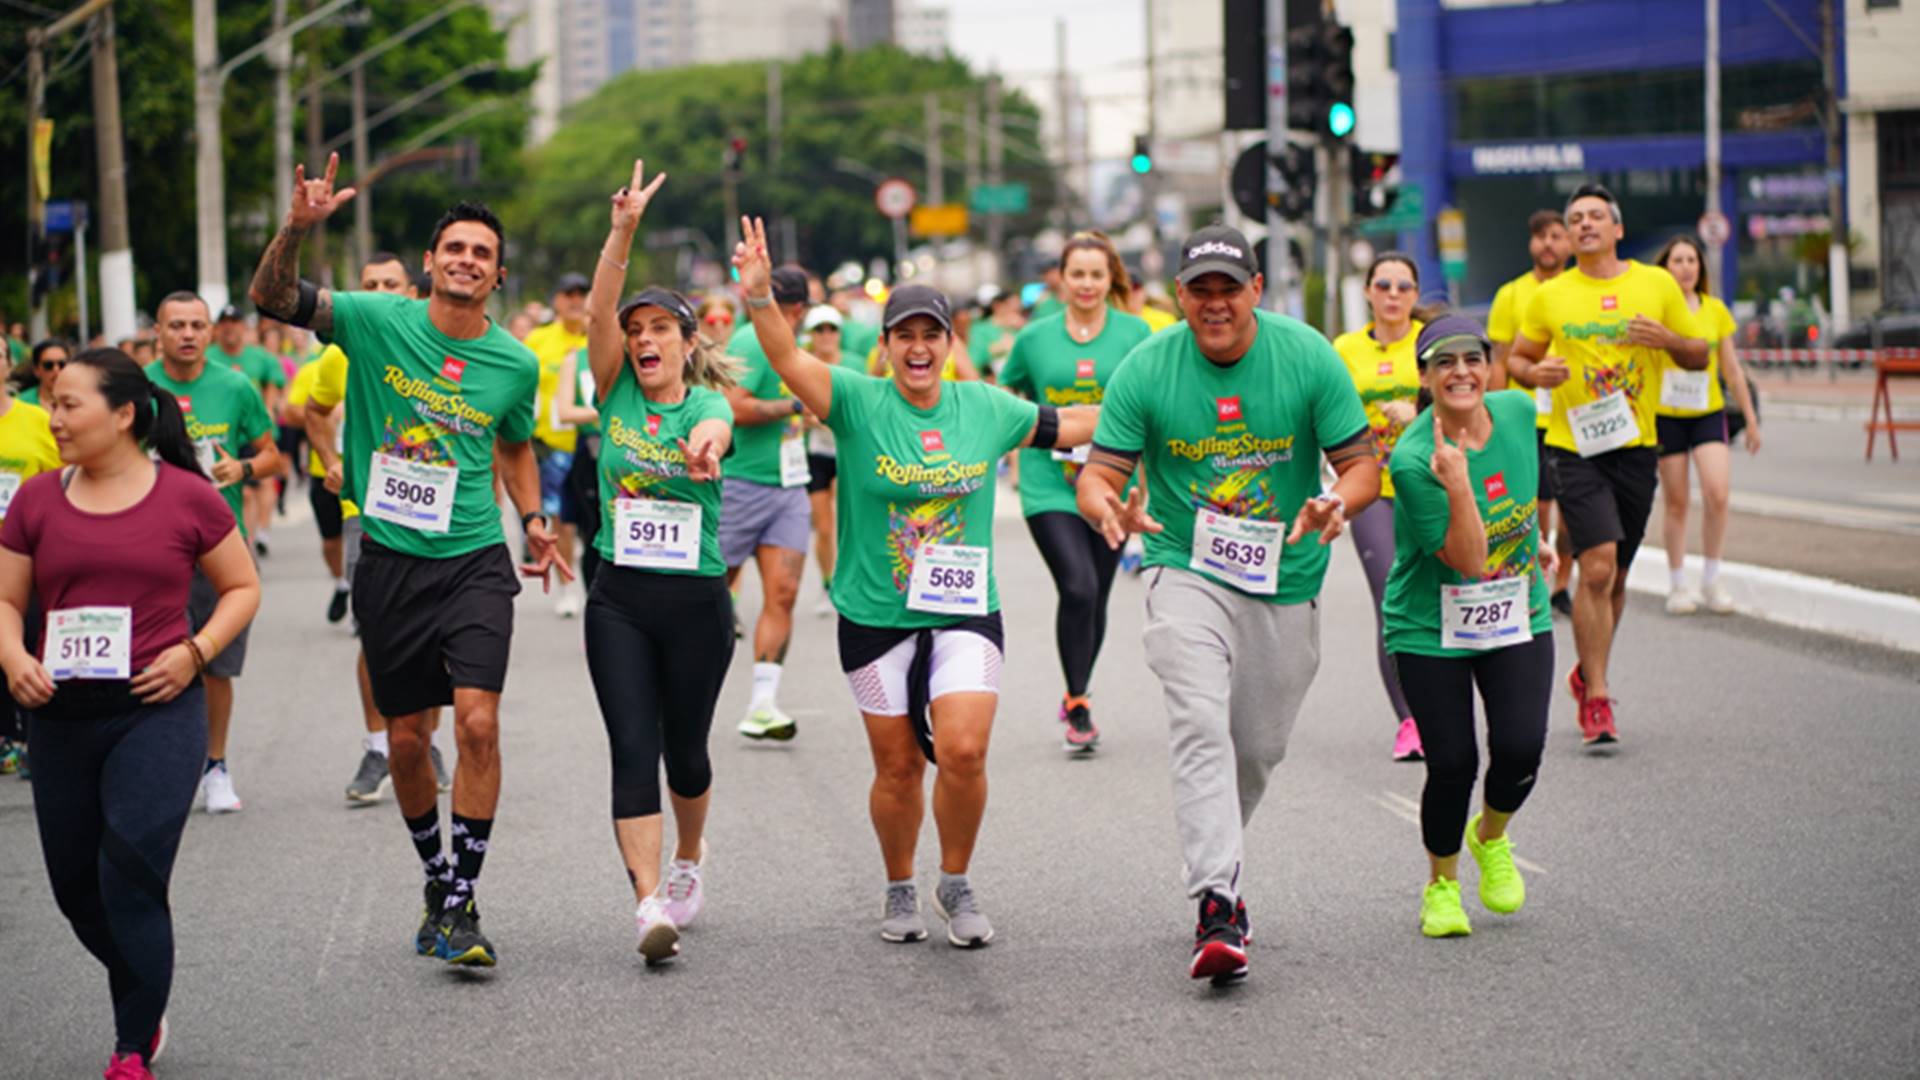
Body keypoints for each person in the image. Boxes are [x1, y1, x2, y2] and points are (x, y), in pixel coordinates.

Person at [735, 214, 1097, 949]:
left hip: (964, 612)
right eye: (906, 335)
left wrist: (1154, 406)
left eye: (933, 334)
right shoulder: (856, 402)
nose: (920, 347)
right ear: (887, 345)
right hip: (875, 615)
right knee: (898, 767)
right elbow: (784, 358)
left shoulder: (986, 407)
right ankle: (900, 883)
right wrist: (759, 298)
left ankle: (954, 880)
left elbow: (1066, 424)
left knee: (963, 750)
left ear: (950, 342)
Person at [253, 153, 570, 967]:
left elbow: (515, 445)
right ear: (430, 262)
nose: (467, 260)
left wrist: (533, 517)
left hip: (474, 559)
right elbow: (273, 298)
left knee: (478, 723)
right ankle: (437, 876)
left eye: (482, 253)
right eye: (454, 248)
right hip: (391, 559)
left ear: (498, 276)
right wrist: (296, 227)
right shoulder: (372, 320)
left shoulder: (515, 363)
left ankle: (461, 904)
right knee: (404, 740)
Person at [1075, 223, 1377, 983]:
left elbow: (1361, 465)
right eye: (1200, 290)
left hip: (1287, 575)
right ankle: (1217, 901)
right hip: (1185, 567)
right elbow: (1098, 474)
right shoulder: (1146, 368)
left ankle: (1216, 852)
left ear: (1256, 292)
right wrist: (1107, 507)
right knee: (1200, 722)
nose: (1216, 304)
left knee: (1256, 748)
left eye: (1229, 289)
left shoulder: (1307, 355)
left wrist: (1337, 502)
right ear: (1179, 295)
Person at [0, 348, 260, 1080]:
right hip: (59, 714)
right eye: (50, 403)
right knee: (76, 890)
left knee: (128, 876)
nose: (53, 418)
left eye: (68, 405)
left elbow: (242, 587)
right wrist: (14, 658)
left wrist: (195, 652)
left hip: (156, 707)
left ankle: (131, 1044)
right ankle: (145, 988)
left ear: (122, 415)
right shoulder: (36, 501)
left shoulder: (187, 497)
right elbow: (7, 600)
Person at [579, 161, 739, 964]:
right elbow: (596, 310)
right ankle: (648, 904)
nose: (644, 340)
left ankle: (689, 856)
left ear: (686, 342)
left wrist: (705, 449)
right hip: (619, 599)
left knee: (689, 752)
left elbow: (716, 430)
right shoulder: (613, 391)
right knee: (632, 748)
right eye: (635, 331)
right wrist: (623, 230)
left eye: (659, 330)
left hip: (697, 603)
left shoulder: (704, 403)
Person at [1507, 183, 1707, 747]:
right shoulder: (1550, 296)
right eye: (1576, 218)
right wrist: (1536, 374)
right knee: (1594, 568)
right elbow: (1518, 357)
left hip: (1636, 447)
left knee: (1616, 575)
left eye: (1596, 216)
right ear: (1569, 235)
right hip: (1573, 447)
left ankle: (1588, 671)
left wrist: (1667, 339)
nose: (1585, 224)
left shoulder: (1656, 284)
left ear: (1617, 229)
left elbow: (1699, 354)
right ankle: (1597, 696)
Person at [1382, 315, 1556, 939]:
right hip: (1430, 625)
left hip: (1515, 612)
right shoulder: (1412, 461)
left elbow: (1528, 488)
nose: (1461, 372)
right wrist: (1457, 485)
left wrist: (1536, 540)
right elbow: (1468, 560)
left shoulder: (1517, 411)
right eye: (1445, 363)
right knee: (1453, 762)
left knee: (1520, 747)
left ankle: (1491, 836)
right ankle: (1442, 885)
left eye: (1472, 359)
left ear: (1490, 366)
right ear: (1425, 378)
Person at [305, 253, 455, 805]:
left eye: (390, 283)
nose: (378, 292)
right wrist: (331, 462)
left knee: (434, 637)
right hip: (365, 512)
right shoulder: (341, 350)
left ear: (412, 292)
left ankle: (426, 742)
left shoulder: (439, 349)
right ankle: (376, 747)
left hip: (434, 513)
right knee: (376, 635)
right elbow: (315, 412)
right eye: (369, 284)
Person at [997, 231, 1151, 753]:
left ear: (1111, 280)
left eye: (1096, 275)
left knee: (1098, 593)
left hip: (1112, 482)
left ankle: (1076, 690)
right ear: (1060, 279)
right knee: (1078, 587)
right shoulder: (1034, 339)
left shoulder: (1135, 334)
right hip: (1049, 484)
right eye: (1077, 274)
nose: (1086, 284)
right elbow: (1010, 395)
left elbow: (1151, 403)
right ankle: (1079, 702)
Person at [144, 293, 284, 815]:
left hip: (219, 544)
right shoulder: (136, 387)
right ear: (157, 332)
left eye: (196, 325)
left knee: (215, 664)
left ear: (210, 333)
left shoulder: (235, 386)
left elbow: (271, 455)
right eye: (176, 325)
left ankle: (216, 765)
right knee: (152, 659)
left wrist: (241, 469)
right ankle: (158, 763)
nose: (188, 334)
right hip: (150, 545)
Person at [1331, 252, 1428, 761]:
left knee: (1436, 597)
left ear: (1416, 294)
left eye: (1403, 286)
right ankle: (1410, 719)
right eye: (1383, 285)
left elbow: (1468, 402)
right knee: (1391, 597)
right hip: (1371, 488)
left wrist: (1420, 412)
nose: (1393, 294)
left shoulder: (1431, 344)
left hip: (1428, 486)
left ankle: (1442, 706)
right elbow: (1326, 410)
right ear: (1368, 291)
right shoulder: (1345, 349)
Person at [719, 264, 815, 741]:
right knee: (710, 593)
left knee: (784, 592)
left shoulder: (795, 345)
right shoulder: (750, 341)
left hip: (788, 486)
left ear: (794, 310)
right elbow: (731, 406)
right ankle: (674, 690)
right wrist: (793, 406)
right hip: (740, 484)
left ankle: (762, 703)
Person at [1651, 235, 1761, 615]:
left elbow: (1731, 369)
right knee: (1677, 502)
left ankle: (1712, 578)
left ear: (1700, 268)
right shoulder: (1657, 310)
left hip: (1707, 413)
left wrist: (1751, 419)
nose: (1685, 268)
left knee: (1717, 493)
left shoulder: (1715, 310)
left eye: (1691, 260)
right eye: (1677, 260)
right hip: (1667, 417)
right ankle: (1678, 582)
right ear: (1665, 268)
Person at [1488, 210, 1575, 614]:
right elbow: (1499, 359)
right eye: (1541, 236)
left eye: (1556, 236)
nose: (1548, 244)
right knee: (1534, 505)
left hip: (1574, 417)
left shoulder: (1579, 292)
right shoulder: (1510, 295)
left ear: (1569, 243)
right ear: (1531, 244)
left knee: (1572, 509)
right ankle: (1533, 578)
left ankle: (1563, 585)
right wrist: (1493, 415)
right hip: (1526, 419)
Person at [0, 353, 60, 781]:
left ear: (8, 364)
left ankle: (33, 735)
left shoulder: (36, 420)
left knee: (30, 638)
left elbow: (63, 480)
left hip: (26, 552)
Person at [525, 274, 592, 618]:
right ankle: (567, 588)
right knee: (561, 519)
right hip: (553, 446)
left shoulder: (602, 337)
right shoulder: (539, 340)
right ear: (556, 301)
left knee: (596, 522)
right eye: (569, 294)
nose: (576, 300)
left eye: (582, 293)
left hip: (596, 442)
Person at [208, 306, 287, 556]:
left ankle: (260, 532)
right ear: (217, 329)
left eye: (235, 322)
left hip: (254, 430)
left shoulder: (260, 357)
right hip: (224, 433)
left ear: (243, 327)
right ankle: (246, 541)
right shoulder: (209, 356)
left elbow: (273, 383)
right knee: (244, 492)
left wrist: (269, 408)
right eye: (225, 323)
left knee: (262, 481)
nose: (229, 328)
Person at [800, 303, 856, 617]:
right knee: (823, 526)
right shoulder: (803, 365)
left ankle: (851, 583)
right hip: (817, 453)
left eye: (831, 329)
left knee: (849, 522)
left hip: (848, 452)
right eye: (819, 329)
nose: (825, 335)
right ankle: (827, 585)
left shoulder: (853, 364)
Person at [967, 289, 1024, 379]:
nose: (1016, 313)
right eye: (1011, 308)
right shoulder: (981, 329)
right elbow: (974, 360)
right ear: (998, 306)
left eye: (1019, 309)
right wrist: (996, 348)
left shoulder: (1021, 329)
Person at [14, 338, 74, 406]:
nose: (56, 370)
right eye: (48, 365)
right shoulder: (21, 403)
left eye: (62, 364)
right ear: (36, 370)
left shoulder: (79, 398)